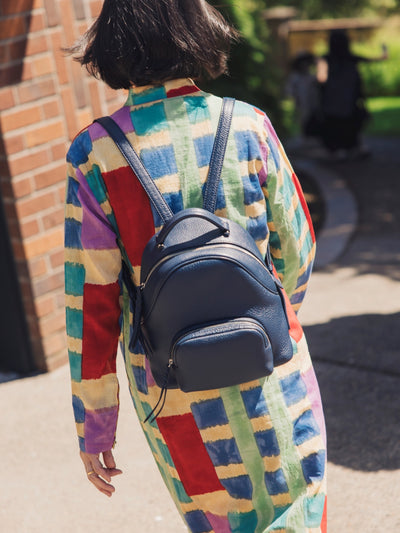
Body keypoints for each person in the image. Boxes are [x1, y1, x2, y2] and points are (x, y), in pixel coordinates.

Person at [64, 1, 327, 531]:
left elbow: (90, 303)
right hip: (272, 370)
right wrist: (264, 319)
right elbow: (297, 254)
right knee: (299, 513)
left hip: (176, 395)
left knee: (220, 520)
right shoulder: (248, 126)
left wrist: (96, 426)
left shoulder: (95, 154)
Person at [317, 29, 388, 157]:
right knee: (349, 125)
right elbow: (376, 59)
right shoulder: (350, 59)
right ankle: (350, 148)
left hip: (332, 101)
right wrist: (384, 51)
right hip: (349, 101)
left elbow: (321, 78)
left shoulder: (326, 59)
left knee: (335, 126)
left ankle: (338, 149)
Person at [286, 51, 322, 138]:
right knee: (301, 123)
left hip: (313, 106)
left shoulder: (312, 77)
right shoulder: (295, 77)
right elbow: (289, 91)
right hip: (300, 106)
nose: (305, 65)